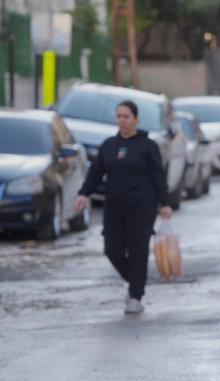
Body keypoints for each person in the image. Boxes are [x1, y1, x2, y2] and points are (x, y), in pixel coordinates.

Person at [74, 100, 172, 315]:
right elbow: (96, 172)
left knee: (138, 252)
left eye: (126, 116)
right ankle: (137, 282)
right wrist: (84, 193)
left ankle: (136, 296)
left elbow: (158, 176)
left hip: (141, 208)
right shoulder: (109, 145)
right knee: (112, 249)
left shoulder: (148, 146)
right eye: (119, 116)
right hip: (115, 207)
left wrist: (164, 203)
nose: (122, 120)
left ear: (136, 119)